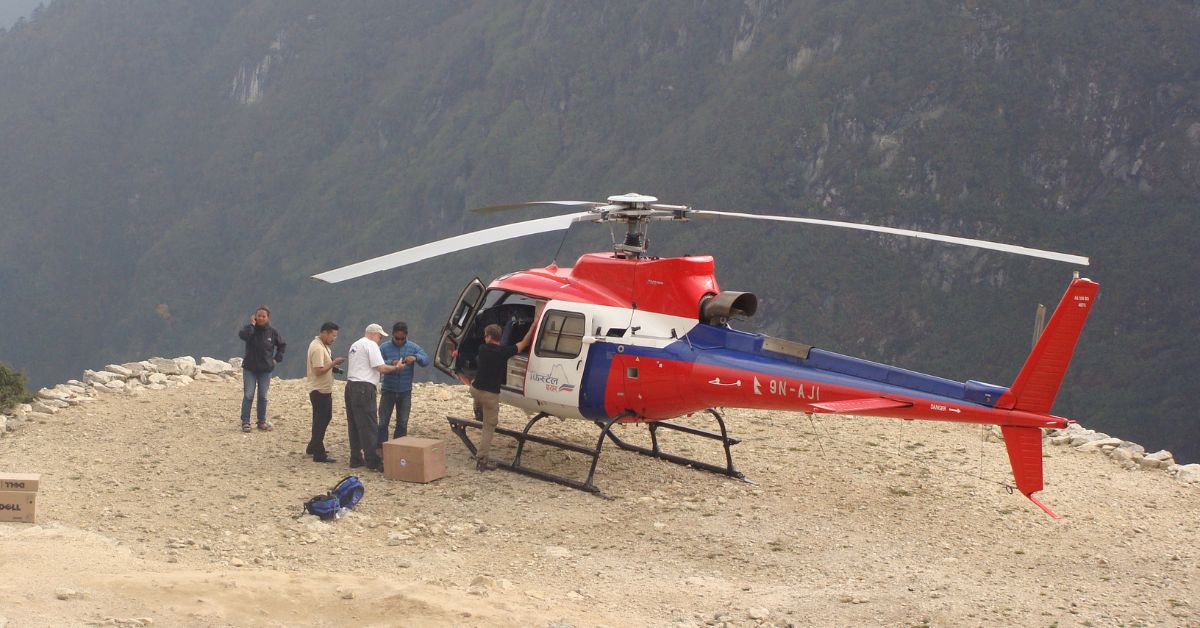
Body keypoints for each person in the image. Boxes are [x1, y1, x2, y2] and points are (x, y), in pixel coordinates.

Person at [467, 320, 535, 471]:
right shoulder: (505, 353)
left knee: (474, 388)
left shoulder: (482, 349)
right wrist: (533, 325)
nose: (485, 338)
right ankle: (482, 459)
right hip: (491, 395)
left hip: (476, 389)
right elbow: (524, 343)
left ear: (489, 337)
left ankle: (477, 406)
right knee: (488, 427)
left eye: (485, 336)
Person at [344, 323, 405, 471]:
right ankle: (373, 461)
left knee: (354, 423)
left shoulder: (355, 345)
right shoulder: (371, 345)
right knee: (369, 424)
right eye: (379, 336)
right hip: (364, 387)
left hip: (351, 386)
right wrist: (396, 368)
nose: (380, 339)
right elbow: (380, 367)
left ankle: (356, 457)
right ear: (373, 334)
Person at [377, 321, 430, 445]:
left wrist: (416, 358)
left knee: (402, 422)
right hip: (388, 389)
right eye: (397, 338)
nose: (399, 341)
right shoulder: (384, 347)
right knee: (383, 422)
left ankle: (398, 448)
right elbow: (377, 362)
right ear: (392, 335)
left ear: (406, 335)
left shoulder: (413, 347)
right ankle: (381, 450)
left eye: (402, 338)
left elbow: (426, 360)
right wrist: (392, 362)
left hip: (405, 391)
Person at [238, 306, 285, 432]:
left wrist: (276, 359)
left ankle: (261, 421)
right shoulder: (250, 330)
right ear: (254, 316)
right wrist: (252, 325)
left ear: (268, 317)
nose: (261, 318)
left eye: (263, 316)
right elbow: (243, 336)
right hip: (250, 368)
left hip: (265, 369)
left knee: (263, 396)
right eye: (258, 316)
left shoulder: (272, 332)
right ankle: (245, 422)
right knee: (248, 394)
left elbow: (282, 345)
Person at [306, 322, 346, 463]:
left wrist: (334, 368)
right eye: (333, 335)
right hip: (319, 390)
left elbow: (324, 365)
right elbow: (318, 370)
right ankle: (319, 453)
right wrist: (334, 363)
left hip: (323, 388)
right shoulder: (317, 348)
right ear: (325, 333)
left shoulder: (324, 347)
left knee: (319, 418)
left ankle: (313, 446)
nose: (334, 338)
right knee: (322, 419)